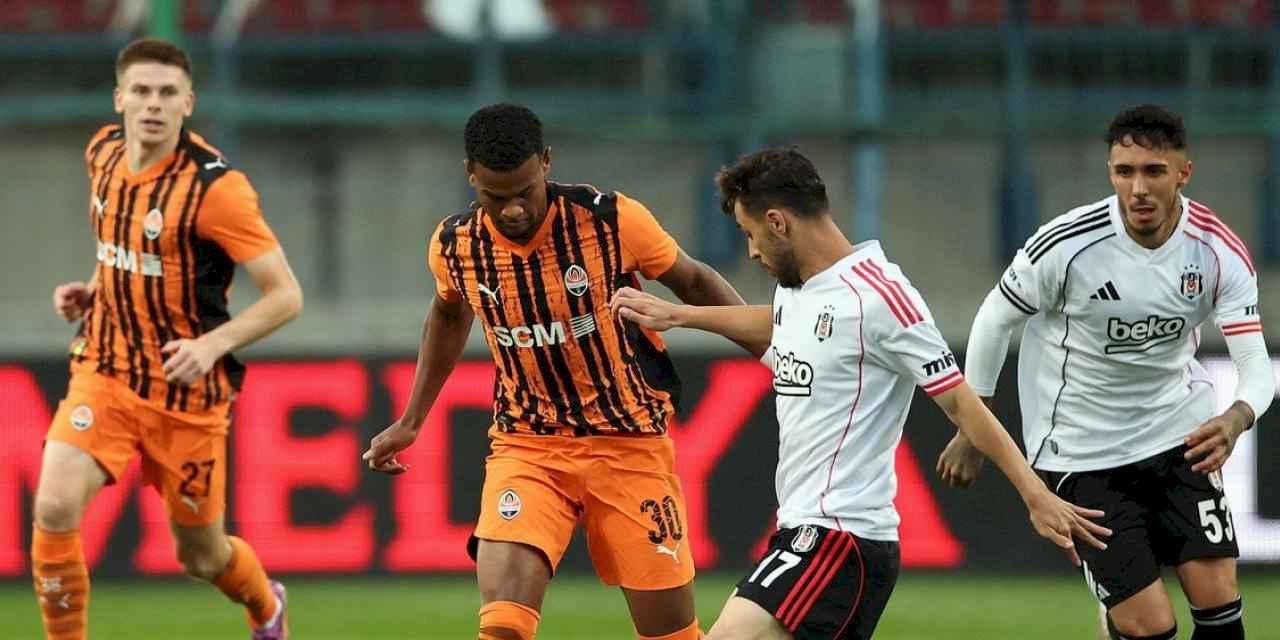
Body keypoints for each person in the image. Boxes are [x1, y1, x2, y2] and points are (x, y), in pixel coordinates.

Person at [610, 147, 1109, 639]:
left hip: (839, 538)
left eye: (750, 234)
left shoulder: (880, 297)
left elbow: (959, 399)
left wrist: (1034, 494)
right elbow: (781, 324)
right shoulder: (798, 290)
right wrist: (681, 315)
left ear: (778, 222)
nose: (752, 251)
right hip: (807, 533)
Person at [362, 103, 748, 640]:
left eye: (525, 191)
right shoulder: (455, 246)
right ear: (470, 174)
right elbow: (449, 313)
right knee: (502, 626)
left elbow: (695, 281)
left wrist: (774, 348)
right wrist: (411, 420)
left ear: (546, 162)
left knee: (671, 635)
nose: (515, 209)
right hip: (528, 445)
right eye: (497, 197)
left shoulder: (611, 220)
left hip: (629, 441)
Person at [939, 104, 1273, 640]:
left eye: (1153, 171)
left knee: (1221, 611)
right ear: (1111, 172)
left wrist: (1237, 416)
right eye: (1125, 172)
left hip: (1177, 436)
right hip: (1083, 451)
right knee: (1151, 628)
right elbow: (994, 317)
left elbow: (1256, 365)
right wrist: (971, 424)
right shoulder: (1069, 244)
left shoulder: (1218, 251)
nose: (1138, 188)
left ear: (1183, 173)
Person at [34, 38, 302, 640]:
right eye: (142, 91)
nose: (152, 104)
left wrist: (210, 346)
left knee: (201, 557)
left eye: (166, 93)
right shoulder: (102, 155)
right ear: (120, 98)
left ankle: (267, 606)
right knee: (52, 508)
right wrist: (94, 288)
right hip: (104, 371)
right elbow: (123, 250)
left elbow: (286, 295)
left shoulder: (217, 190)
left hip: (186, 397)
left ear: (188, 103)